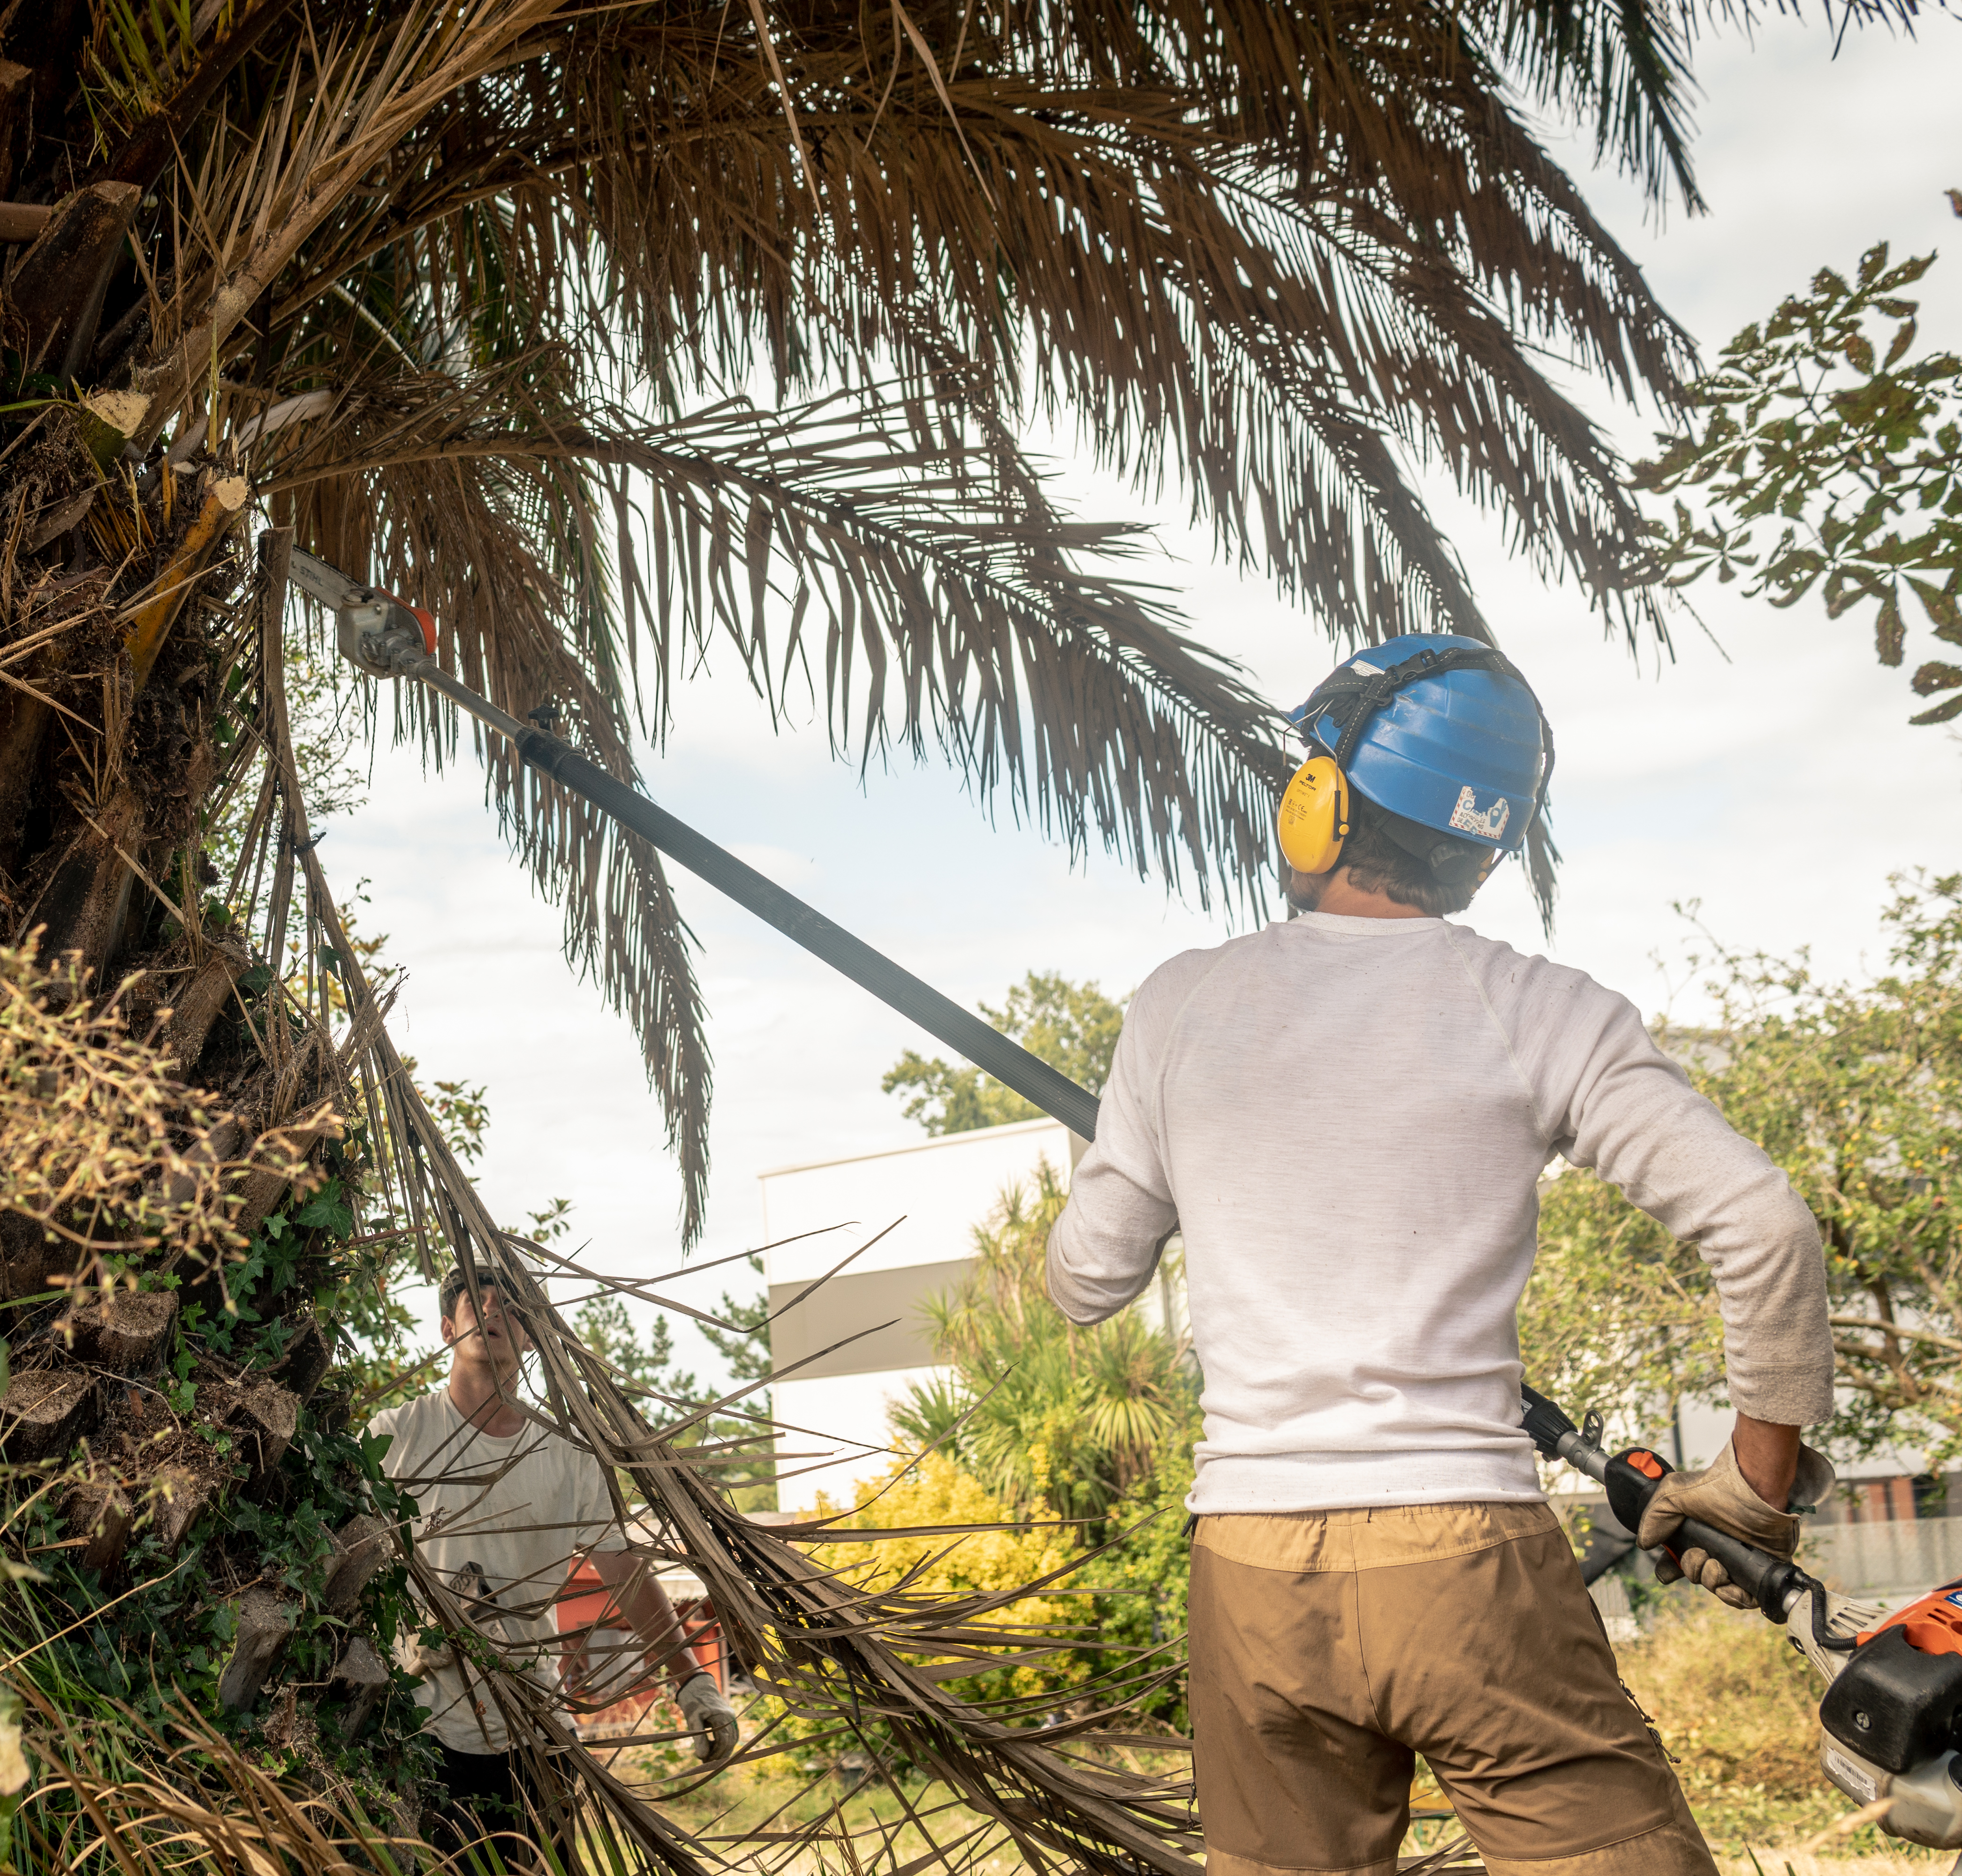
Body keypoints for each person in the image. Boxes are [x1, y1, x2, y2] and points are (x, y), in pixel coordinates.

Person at [1047, 635, 1835, 1876]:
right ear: (1478, 854)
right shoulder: (1542, 1008)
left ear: (1319, 803)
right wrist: (1750, 1486)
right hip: (1465, 1561)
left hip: (1248, 1569)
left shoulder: (1175, 1004)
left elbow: (1083, 1282)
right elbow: (1762, 1228)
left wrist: (1141, 1145)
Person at [368, 1264, 739, 1857]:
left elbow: (625, 1572)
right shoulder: (395, 1435)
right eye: (475, 1300)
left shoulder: (567, 1455)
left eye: (512, 1307)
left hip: (535, 1733)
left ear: (533, 1337)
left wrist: (692, 1682)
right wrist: (406, 1639)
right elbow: (351, 1559)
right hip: (421, 1733)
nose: (493, 1310)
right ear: (445, 1327)